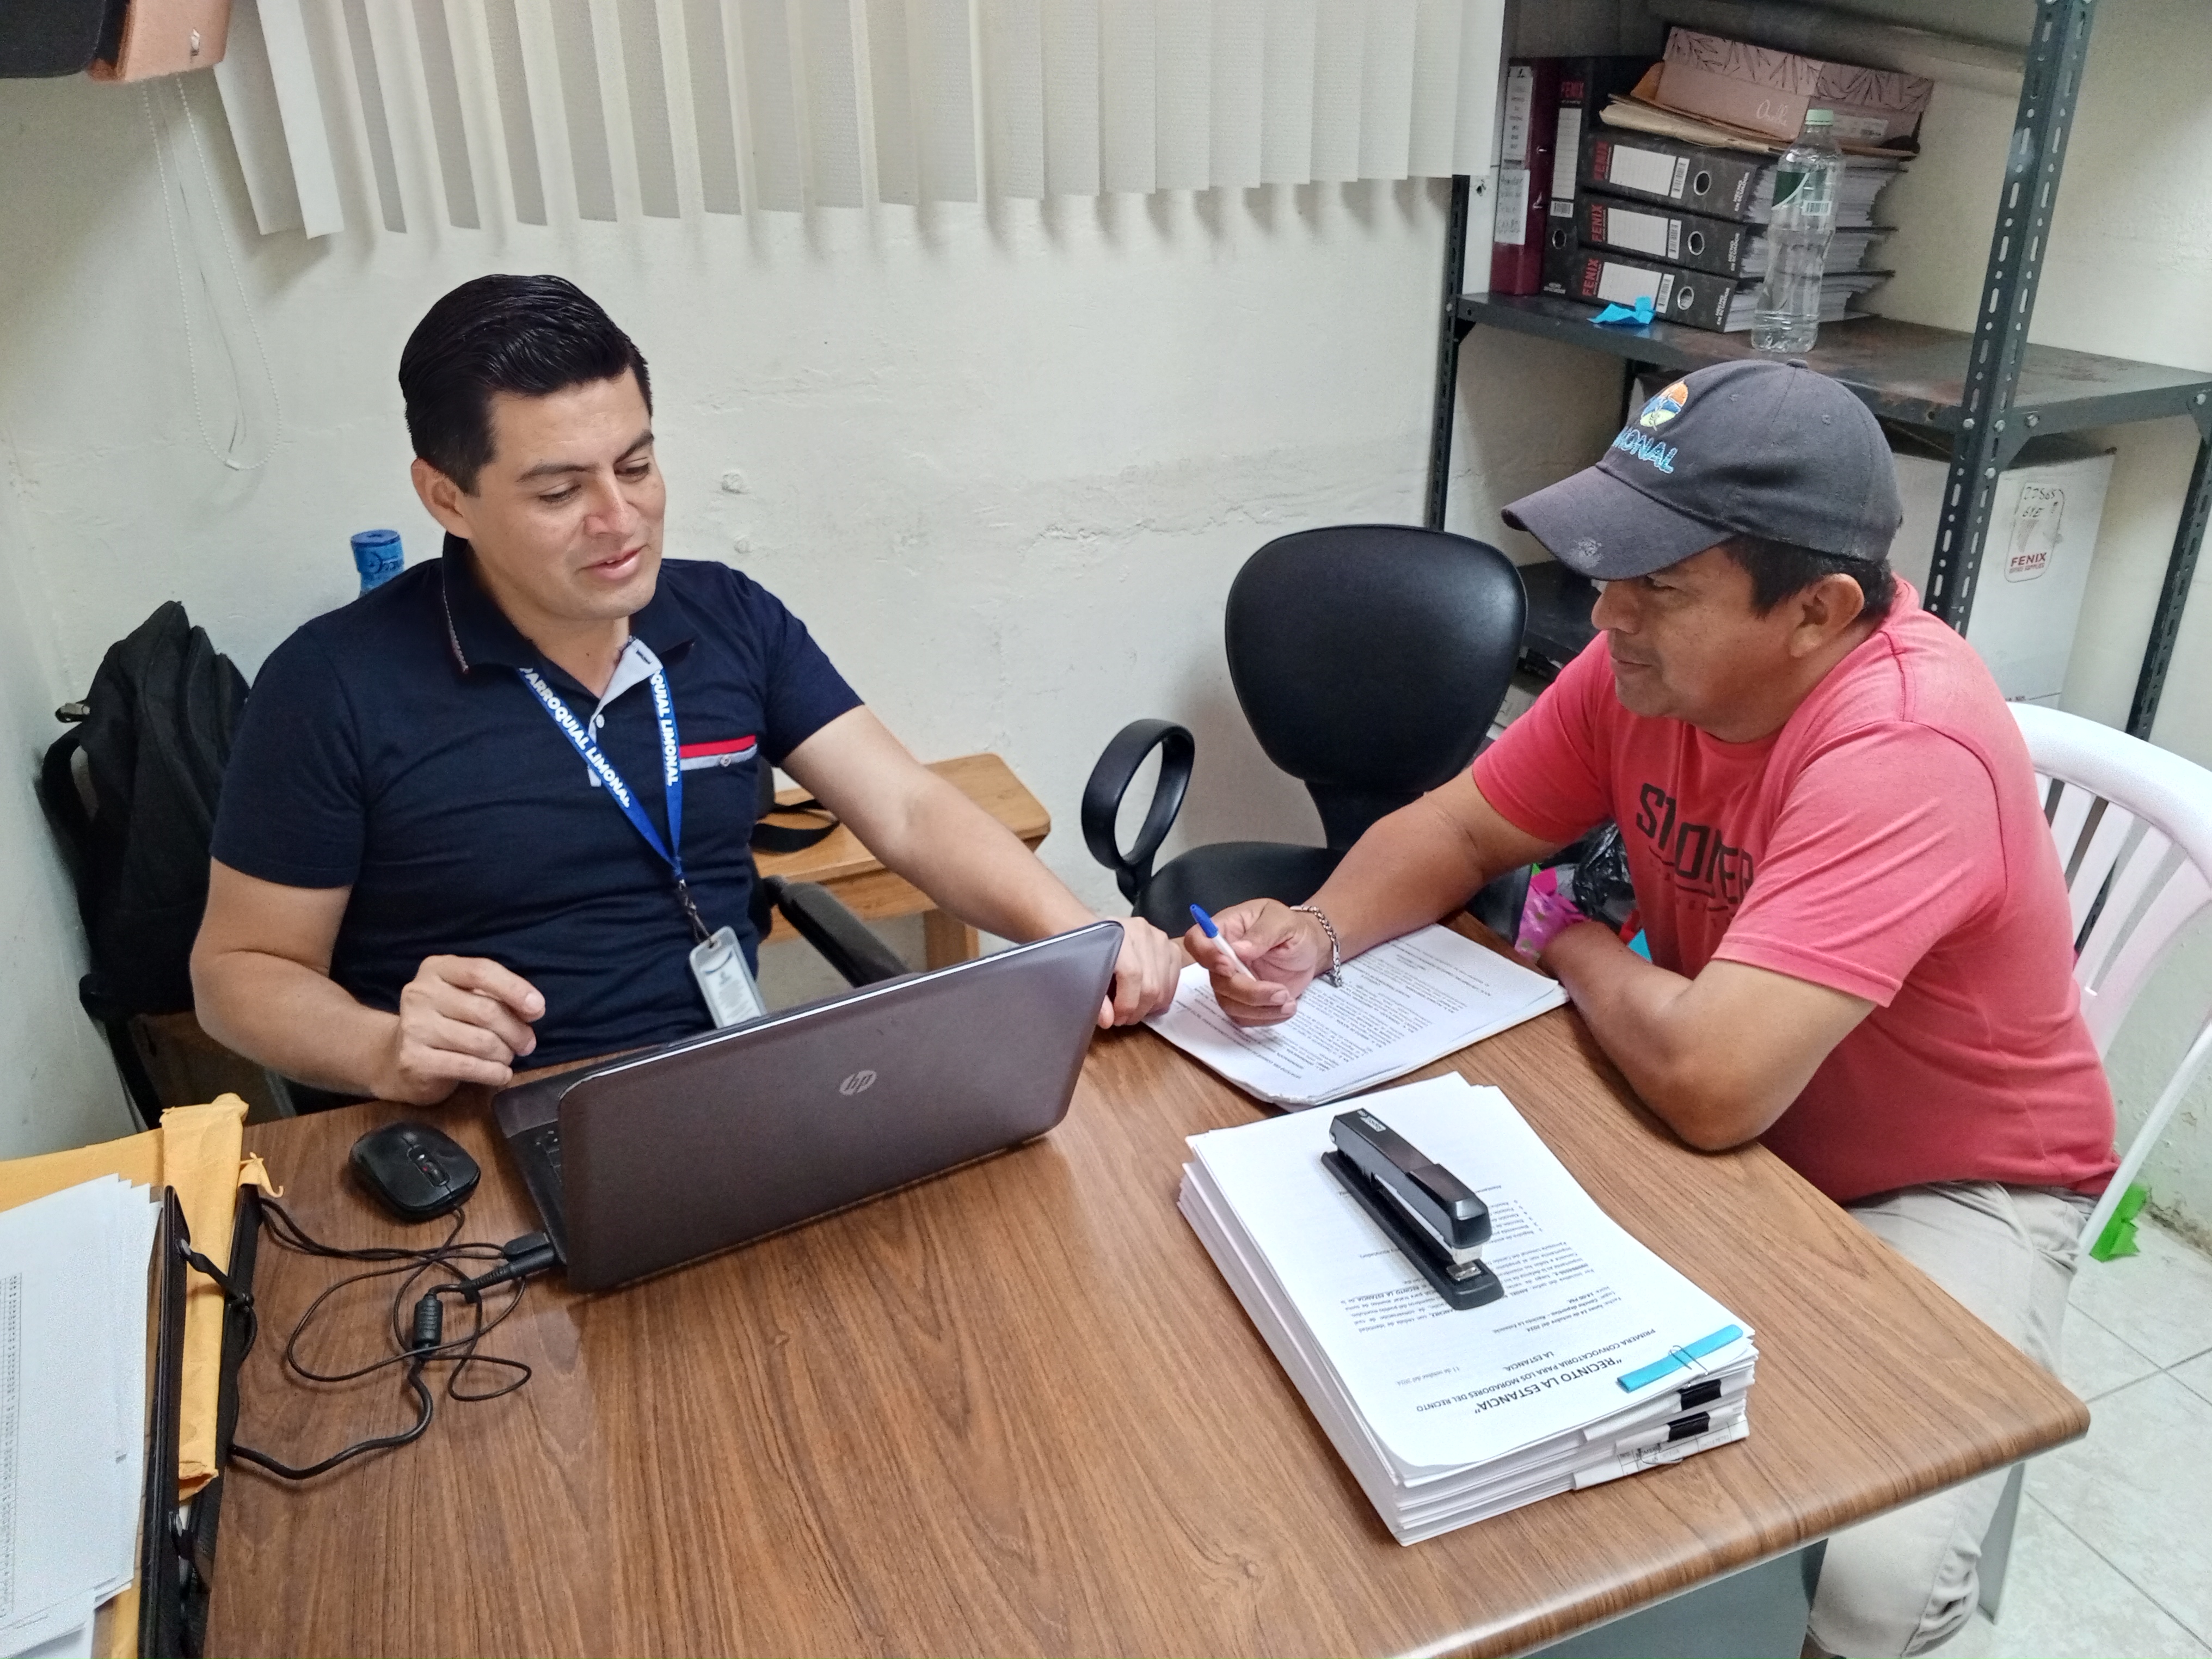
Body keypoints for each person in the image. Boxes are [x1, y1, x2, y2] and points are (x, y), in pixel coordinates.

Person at [1188, 360, 2116, 1659]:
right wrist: (1318, 934)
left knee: (1866, 1580)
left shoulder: (1904, 744)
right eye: (1611, 569)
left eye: (1660, 585)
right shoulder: (1647, 675)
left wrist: (1572, 946)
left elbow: (1712, 1083)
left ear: (1817, 611)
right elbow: (1462, 829)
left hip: (1944, 1178)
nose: (1607, 611)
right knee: (1447, 1371)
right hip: (1742, 1128)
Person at [192, 274, 1182, 1105]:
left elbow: (910, 810)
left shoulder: (726, 617)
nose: (619, 519)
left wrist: (1082, 935)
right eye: (559, 492)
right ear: (447, 497)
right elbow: (237, 974)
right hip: (489, 1125)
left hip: (727, 1086)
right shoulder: (333, 686)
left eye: (637, 465)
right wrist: (381, 1049)